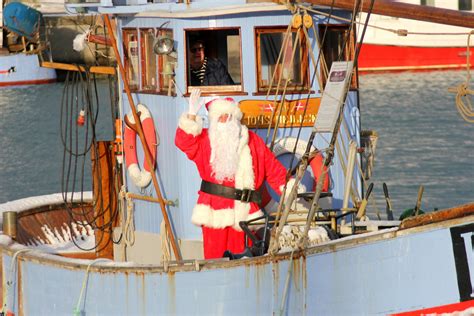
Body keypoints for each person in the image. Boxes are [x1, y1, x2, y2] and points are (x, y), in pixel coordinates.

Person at [175, 89, 304, 259]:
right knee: (216, 262)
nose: (224, 120)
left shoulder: (253, 141)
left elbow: (273, 170)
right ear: (213, 120)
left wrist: (292, 190)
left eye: (228, 116)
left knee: (247, 259)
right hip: (214, 216)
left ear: (235, 118)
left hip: (246, 216)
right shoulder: (205, 141)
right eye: (220, 116)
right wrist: (191, 115)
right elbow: (183, 142)